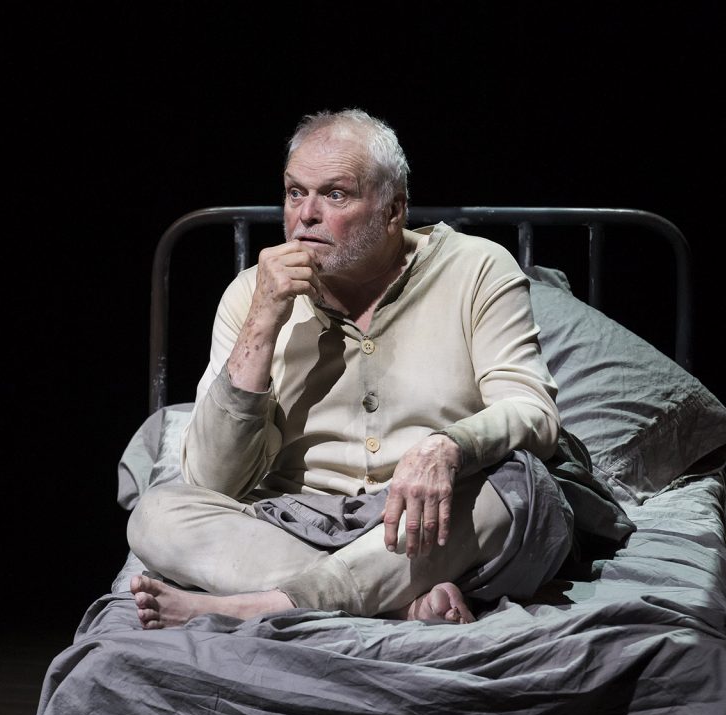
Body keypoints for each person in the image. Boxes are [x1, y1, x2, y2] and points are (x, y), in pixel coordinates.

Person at [127, 107, 574, 629]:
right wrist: (264, 319)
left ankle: (266, 605)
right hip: (296, 522)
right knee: (156, 515)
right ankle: (397, 603)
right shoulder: (251, 294)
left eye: (334, 194)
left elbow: (533, 414)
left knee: (521, 488)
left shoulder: (476, 268)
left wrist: (447, 448)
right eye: (296, 192)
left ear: (393, 210)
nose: (305, 216)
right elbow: (212, 480)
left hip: (429, 519)